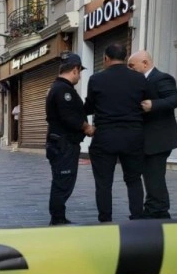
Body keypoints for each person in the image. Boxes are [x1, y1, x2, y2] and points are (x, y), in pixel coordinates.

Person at [84, 43, 149, 222]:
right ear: (124, 57)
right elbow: (146, 104)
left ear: (105, 58)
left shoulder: (96, 79)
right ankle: (137, 217)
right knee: (134, 179)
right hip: (133, 136)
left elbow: (89, 107)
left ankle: (105, 220)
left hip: (105, 136)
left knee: (104, 182)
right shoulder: (140, 79)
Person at [128, 50, 177, 219]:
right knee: (150, 175)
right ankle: (153, 208)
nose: (130, 70)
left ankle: (159, 211)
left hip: (159, 139)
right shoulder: (141, 81)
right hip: (148, 139)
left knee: (154, 176)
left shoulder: (161, 78)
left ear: (145, 63)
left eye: (132, 66)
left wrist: (154, 104)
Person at [44, 52, 94, 225]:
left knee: (62, 182)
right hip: (63, 145)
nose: (79, 77)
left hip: (61, 143)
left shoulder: (58, 88)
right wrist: (87, 127)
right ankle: (57, 220)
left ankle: (59, 217)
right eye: (79, 72)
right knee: (63, 183)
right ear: (75, 69)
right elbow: (68, 117)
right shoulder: (63, 90)